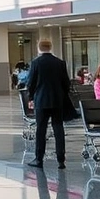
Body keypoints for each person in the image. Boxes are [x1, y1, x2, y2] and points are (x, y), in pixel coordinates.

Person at [26, 39, 73, 169]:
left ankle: (39, 159)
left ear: (39, 47)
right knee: (58, 127)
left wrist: (31, 97)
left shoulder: (36, 63)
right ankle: (61, 160)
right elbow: (66, 83)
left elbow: (31, 83)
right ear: (51, 47)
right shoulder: (60, 63)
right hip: (58, 101)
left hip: (41, 100)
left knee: (41, 129)